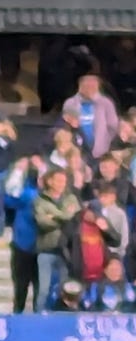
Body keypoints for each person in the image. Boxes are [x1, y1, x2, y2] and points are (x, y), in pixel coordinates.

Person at [34, 167, 81, 311]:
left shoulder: (71, 198)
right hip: (46, 250)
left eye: (64, 181)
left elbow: (75, 219)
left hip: (66, 251)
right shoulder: (40, 200)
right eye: (59, 180)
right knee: (43, 289)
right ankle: (39, 317)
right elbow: (42, 223)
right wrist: (65, 215)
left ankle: (61, 315)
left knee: (65, 288)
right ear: (50, 181)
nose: (62, 183)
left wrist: (54, 216)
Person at [62, 74, 120, 158]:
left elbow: (113, 126)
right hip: (77, 152)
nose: (90, 87)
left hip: (101, 152)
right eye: (87, 84)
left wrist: (104, 141)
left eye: (93, 84)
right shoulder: (70, 103)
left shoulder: (106, 103)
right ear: (80, 85)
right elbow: (66, 127)